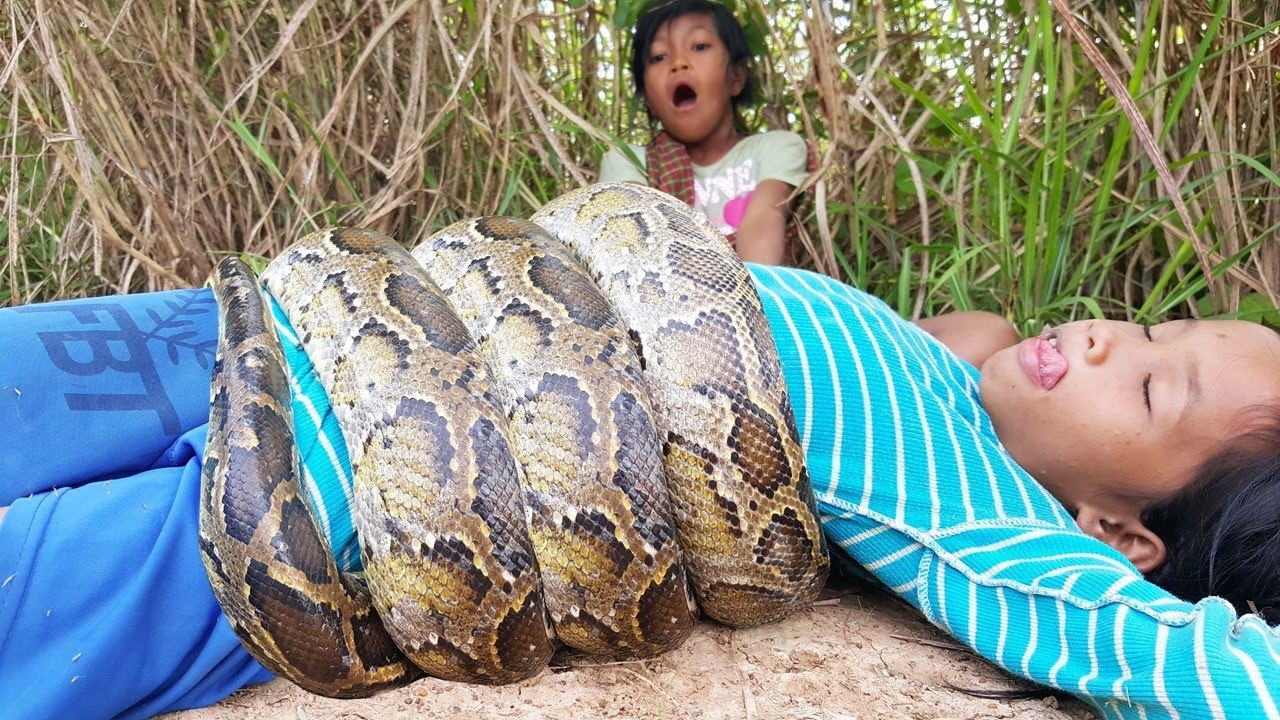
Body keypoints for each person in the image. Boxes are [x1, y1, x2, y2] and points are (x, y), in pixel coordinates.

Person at [4, 261, 1280, 720]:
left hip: (343, 497)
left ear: (1118, 533)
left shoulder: (971, 507)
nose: (1107, 340)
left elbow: (1193, 665)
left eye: (1151, 390)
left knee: (33, 608)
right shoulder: (942, 368)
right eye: (1150, 325)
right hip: (302, 328)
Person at [597, 0, 813, 265]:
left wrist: (741, 291)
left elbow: (764, 221)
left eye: (699, 46)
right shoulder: (628, 163)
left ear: (736, 77)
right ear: (648, 99)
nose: (678, 63)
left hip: (755, 287)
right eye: (659, 57)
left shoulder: (777, 148)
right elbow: (635, 249)